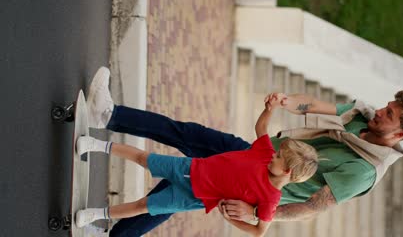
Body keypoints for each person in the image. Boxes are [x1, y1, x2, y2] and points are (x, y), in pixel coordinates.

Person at [86, 67, 403, 236]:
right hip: (256, 153)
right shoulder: (366, 118)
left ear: (400, 133)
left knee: (170, 195)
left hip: (255, 186)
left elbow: (311, 208)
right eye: (388, 105)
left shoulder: (365, 171)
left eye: (389, 115)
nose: (381, 112)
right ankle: (110, 114)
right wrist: (286, 101)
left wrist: (255, 212)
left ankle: (111, 230)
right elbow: (315, 106)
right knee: (185, 136)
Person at [76, 88, 318, 237]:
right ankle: (95, 144)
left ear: (286, 171)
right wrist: (270, 108)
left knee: (143, 206)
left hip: (192, 197)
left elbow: (258, 231)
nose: (273, 155)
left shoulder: (270, 200)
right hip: (189, 168)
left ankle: (95, 216)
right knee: (143, 158)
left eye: (278, 157)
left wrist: (230, 219)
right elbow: (261, 127)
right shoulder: (265, 154)